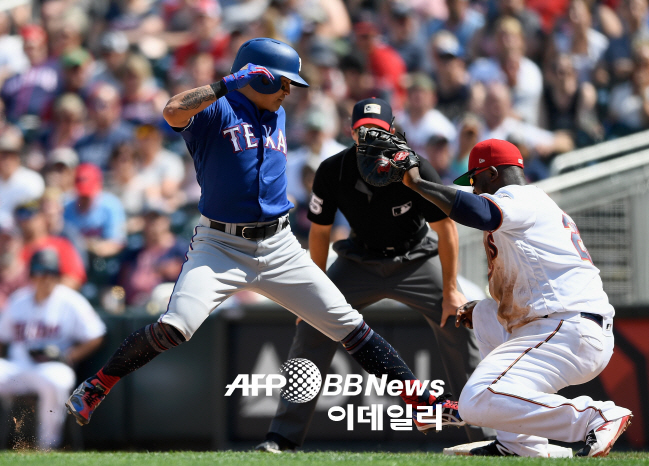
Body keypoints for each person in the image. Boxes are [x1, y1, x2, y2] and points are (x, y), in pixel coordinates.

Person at [65, 38, 462, 433]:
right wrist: (228, 82)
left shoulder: (277, 112)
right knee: (177, 325)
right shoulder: (216, 108)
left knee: (349, 325)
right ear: (258, 76)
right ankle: (98, 385)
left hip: (279, 244)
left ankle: (423, 402)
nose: (289, 90)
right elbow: (171, 111)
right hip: (220, 245)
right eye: (283, 82)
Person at [255, 97, 493, 453]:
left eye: (378, 131)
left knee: (456, 324)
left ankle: (487, 437)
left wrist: (449, 290)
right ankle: (282, 438)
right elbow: (319, 232)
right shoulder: (333, 170)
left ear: (393, 131)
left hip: (415, 258)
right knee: (312, 326)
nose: (370, 139)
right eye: (363, 132)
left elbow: (446, 229)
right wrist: (311, 296)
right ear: (352, 133)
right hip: (359, 260)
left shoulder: (415, 168)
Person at [401, 138, 633, 457]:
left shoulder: (520, 197)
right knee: (484, 314)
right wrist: (485, 310)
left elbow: (481, 212)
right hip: (565, 327)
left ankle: (593, 417)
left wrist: (417, 184)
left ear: (493, 173)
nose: (474, 189)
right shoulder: (530, 206)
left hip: (566, 328)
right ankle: (517, 443)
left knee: (476, 398)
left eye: (475, 180)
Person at [0, 249, 105, 450]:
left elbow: (96, 335)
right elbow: (2, 337)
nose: (45, 278)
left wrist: (68, 356)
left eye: (50, 273)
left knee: (57, 380)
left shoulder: (70, 300)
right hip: (18, 368)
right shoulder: (18, 300)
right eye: (40, 272)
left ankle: (47, 446)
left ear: (57, 276)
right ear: (31, 275)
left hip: (50, 368)